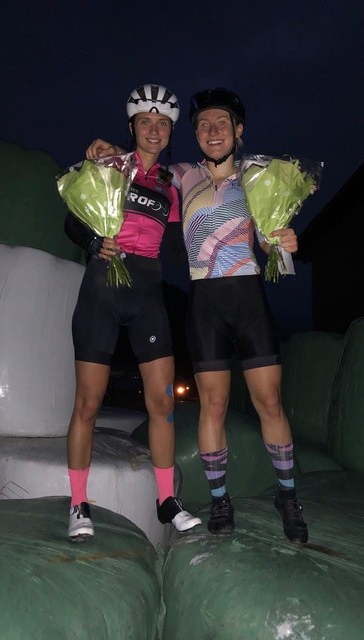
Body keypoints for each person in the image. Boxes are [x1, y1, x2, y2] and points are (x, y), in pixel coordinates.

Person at [86, 87, 308, 544]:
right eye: (203, 125)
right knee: (213, 406)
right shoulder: (181, 175)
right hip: (204, 304)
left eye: (222, 123)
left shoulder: (257, 176)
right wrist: (106, 150)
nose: (212, 131)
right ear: (195, 134)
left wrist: (282, 242)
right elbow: (138, 167)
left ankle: (288, 495)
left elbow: (267, 242)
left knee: (269, 403)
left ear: (238, 130)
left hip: (249, 298)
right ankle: (220, 499)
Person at [65, 83, 201, 542]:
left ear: (170, 132)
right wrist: (92, 242)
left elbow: (184, 243)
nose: (154, 130)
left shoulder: (171, 186)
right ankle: (78, 504)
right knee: (88, 404)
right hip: (102, 288)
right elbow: (72, 219)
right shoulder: (111, 165)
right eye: (146, 122)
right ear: (132, 126)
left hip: (147, 296)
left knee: (162, 404)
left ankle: (167, 501)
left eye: (163, 124)